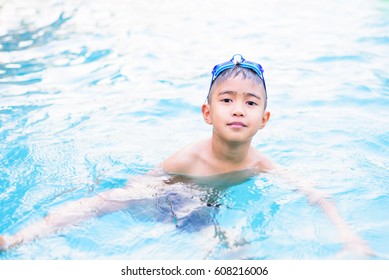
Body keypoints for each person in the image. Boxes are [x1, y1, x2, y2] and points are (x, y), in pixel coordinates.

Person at [0, 54, 374, 257]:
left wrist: (349, 237)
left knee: (224, 244)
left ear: (265, 119)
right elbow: (141, 186)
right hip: (166, 194)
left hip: (203, 206)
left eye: (250, 102)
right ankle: (19, 238)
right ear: (207, 113)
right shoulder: (187, 159)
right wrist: (112, 196)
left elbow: (316, 196)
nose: (238, 109)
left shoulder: (260, 164)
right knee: (99, 202)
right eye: (226, 100)